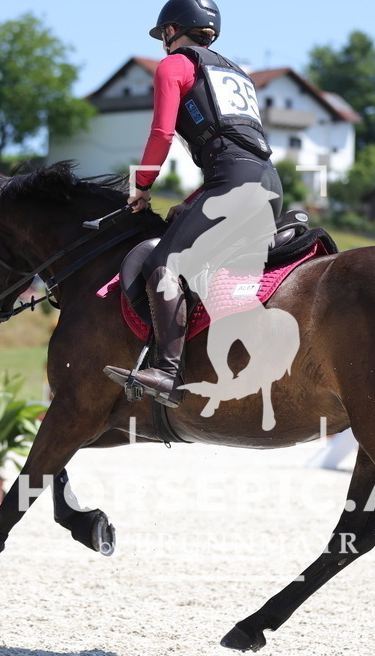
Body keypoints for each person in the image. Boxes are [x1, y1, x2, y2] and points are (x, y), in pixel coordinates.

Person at [103, 0, 282, 408]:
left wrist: (142, 185)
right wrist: (192, 201)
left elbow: (162, 133)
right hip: (266, 182)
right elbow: (237, 150)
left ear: (171, 30)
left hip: (232, 183)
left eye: (163, 35)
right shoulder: (235, 72)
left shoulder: (174, 65)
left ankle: (166, 372)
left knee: (164, 265)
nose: (164, 43)